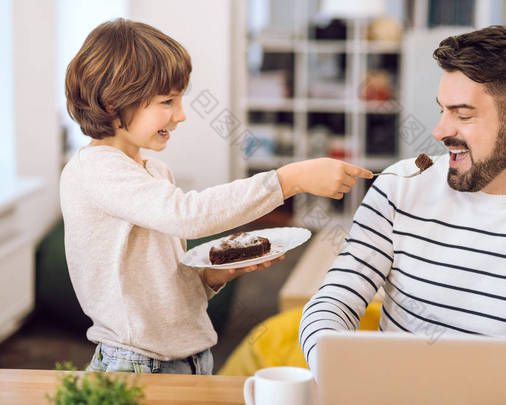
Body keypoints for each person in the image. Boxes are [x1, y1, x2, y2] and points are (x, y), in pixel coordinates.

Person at [299, 25, 506, 405]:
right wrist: (336, 372)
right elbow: (331, 303)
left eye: (462, 114)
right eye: (442, 110)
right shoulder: (400, 185)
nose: (440, 130)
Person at [60, 18, 372, 375]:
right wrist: (289, 180)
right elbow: (188, 214)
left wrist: (209, 279)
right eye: (167, 101)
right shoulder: (95, 170)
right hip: (136, 363)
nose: (180, 115)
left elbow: (160, 278)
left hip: (190, 356)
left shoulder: (154, 171)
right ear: (114, 101)